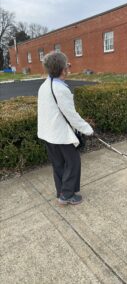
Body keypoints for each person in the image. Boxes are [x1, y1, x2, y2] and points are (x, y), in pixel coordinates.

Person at [37, 51, 94, 205]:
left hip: (47, 133)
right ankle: (67, 195)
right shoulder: (61, 89)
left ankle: (61, 191)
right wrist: (88, 130)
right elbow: (72, 115)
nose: (69, 67)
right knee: (73, 162)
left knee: (58, 164)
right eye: (67, 65)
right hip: (59, 134)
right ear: (63, 69)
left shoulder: (44, 85)